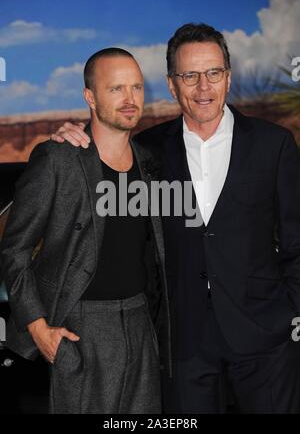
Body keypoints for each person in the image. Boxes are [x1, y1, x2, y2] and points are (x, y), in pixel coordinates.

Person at [51, 23, 300, 414]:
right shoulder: (146, 150)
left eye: (213, 73)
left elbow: (296, 240)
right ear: (171, 85)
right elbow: (100, 179)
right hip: (182, 345)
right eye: (190, 76)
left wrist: (288, 313)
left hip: (264, 341)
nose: (203, 87)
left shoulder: (274, 144)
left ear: (228, 78)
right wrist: (72, 140)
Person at [0, 47, 172, 414]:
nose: (130, 100)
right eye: (116, 89)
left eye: (137, 88)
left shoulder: (150, 162)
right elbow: (14, 250)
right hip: (80, 329)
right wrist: (38, 328)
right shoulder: (58, 158)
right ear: (90, 97)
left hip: (142, 326)